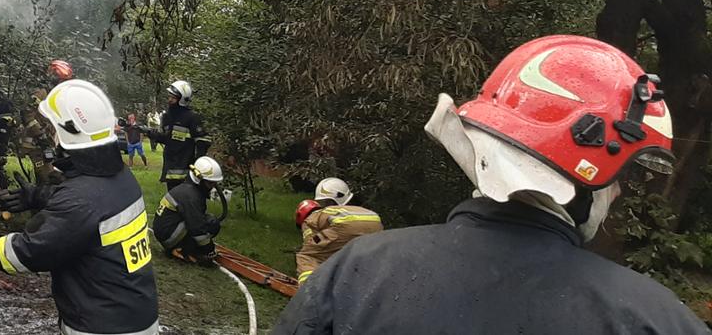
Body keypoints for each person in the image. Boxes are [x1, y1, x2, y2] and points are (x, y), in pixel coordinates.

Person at [273, 35, 703, 334]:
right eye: (622, 177)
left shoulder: (356, 271)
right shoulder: (656, 320)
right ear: (587, 167)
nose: (621, 191)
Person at [0, 79, 160, 335]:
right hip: (137, 315)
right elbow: (92, 209)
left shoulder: (80, 200)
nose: (49, 135)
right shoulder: (122, 178)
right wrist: (40, 196)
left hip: (101, 327)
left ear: (69, 136)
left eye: (52, 129)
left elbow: (25, 254)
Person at [293, 177, 382, 282]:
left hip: (343, 226)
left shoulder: (312, 217)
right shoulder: (361, 209)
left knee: (307, 257)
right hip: (376, 224)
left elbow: (310, 246)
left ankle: (309, 290)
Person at [152, 156, 223, 263]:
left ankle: (182, 247)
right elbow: (197, 227)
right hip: (170, 236)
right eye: (210, 183)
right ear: (198, 179)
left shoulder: (189, 189)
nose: (212, 187)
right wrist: (208, 250)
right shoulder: (191, 196)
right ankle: (183, 249)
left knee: (205, 221)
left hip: (167, 232)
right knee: (211, 223)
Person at [142, 80, 206, 187]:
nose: (169, 100)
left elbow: (202, 141)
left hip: (186, 165)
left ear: (182, 99)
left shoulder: (191, 117)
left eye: (173, 97)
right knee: (172, 197)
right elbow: (167, 138)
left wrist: (198, 161)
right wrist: (149, 133)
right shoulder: (168, 116)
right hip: (171, 165)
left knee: (185, 198)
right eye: (169, 97)